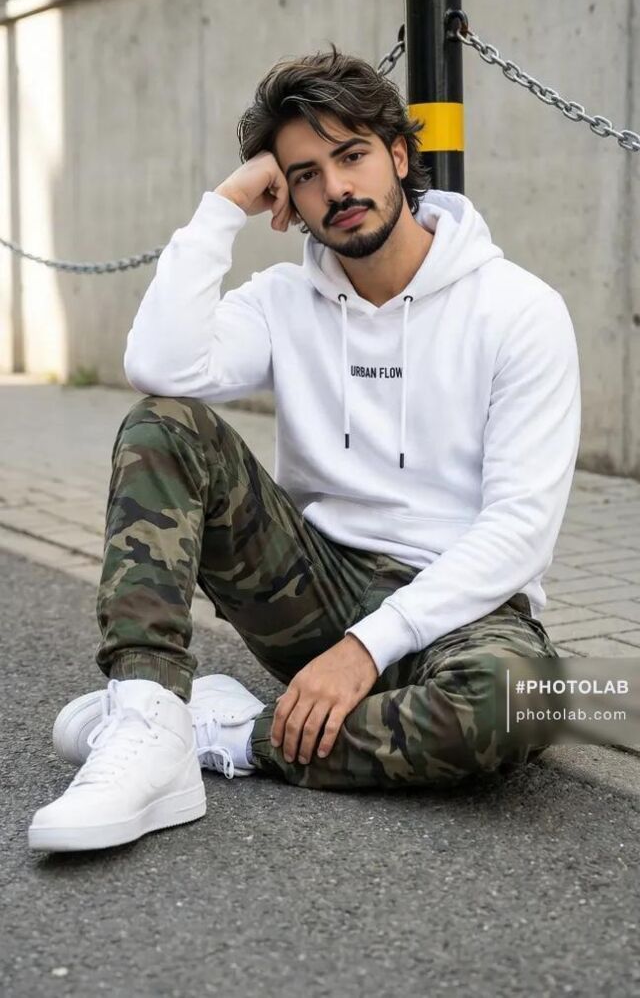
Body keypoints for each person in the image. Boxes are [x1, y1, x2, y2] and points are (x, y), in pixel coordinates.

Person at [28, 44, 581, 853]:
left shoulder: (520, 310)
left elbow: (520, 530)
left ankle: (224, 733)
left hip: (465, 611)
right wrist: (224, 205)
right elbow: (159, 366)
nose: (337, 189)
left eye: (352, 156)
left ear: (400, 155)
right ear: (284, 197)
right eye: (306, 175)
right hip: (314, 590)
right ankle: (146, 710)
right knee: (164, 424)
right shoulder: (285, 299)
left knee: (524, 701)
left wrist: (367, 648)